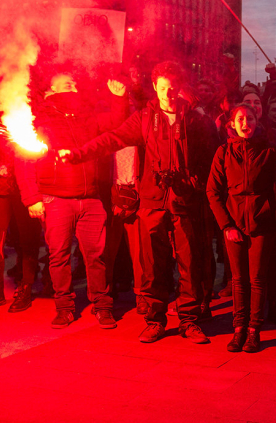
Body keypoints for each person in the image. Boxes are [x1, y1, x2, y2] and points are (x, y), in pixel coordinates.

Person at [59, 61, 216, 344]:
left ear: (180, 88)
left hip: (184, 201)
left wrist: (194, 183)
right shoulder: (145, 118)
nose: (169, 93)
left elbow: (211, 158)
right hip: (152, 201)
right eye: (164, 87)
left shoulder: (194, 119)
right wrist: (79, 154)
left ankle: (189, 321)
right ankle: (155, 320)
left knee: (189, 263)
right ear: (155, 87)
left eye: (173, 88)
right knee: (152, 265)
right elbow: (113, 138)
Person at [17, 72, 127, 329]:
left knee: (96, 256)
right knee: (58, 256)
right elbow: (23, 162)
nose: (73, 86)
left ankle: (102, 305)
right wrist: (31, 197)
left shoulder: (88, 119)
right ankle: (64, 307)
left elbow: (117, 124)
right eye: (67, 83)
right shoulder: (39, 121)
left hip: (90, 199)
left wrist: (120, 99)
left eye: (75, 83)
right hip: (56, 200)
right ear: (51, 91)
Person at [207, 103, 276, 353]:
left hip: (262, 222)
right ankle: (238, 329)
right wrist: (226, 224)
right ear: (232, 123)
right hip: (234, 223)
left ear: (257, 120)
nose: (245, 123)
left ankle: (254, 330)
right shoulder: (224, 152)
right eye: (240, 119)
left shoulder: (269, 151)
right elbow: (213, 191)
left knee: (258, 279)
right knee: (238, 280)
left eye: (249, 118)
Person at [0, 131, 41, 312]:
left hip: (24, 192)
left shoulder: (29, 126)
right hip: (0, 190)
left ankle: (26, 287)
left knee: (27, 241)